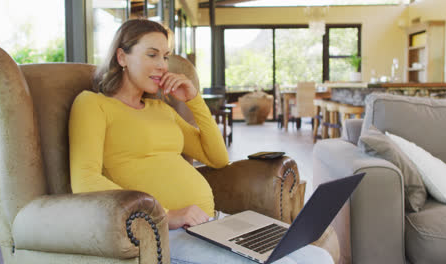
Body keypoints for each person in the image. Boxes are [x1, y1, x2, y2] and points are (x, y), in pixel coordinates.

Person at [69, 19, 333, 264]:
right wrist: (165, 214)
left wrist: (194, 100)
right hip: (161, 233)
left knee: (318, 257)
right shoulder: (93, 105)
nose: (163, 65)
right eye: (152, 54)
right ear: (122, 56)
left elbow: (217, 158)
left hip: (211, 223)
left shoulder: (161, 111)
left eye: (165, 56)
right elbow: (85, 180)